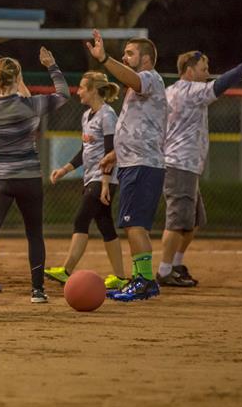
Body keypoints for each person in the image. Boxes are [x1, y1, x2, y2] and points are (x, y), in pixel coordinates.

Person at [158, 40, 242, 286]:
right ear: (189, 69)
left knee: (195, 220)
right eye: (203, 66)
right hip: (180, 164)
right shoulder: (189, 91)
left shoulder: (172, 91)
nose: (207, 70)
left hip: (185, 165)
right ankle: (164, 271)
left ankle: (175, 264)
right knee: (177, 221)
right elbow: (222, 84)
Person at [0, 50, 70, 305]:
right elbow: (64, 95)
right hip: (28, 177)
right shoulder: (31, 104)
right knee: (34, 233)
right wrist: (52, 65)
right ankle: (37, 290)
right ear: (18, 78)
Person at [87, 30, 166, 302]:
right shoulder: (142, 85)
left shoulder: (149, 78)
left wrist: (105, 59)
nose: (125, 57)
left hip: (143, 165)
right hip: (135, 163)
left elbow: (130, 78)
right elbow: (136, 128)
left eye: (130, 53)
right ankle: (140, 279)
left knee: (135, 226)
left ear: (146, 59)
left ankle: (145, 281)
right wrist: (115, 154)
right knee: (134, 225)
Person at [44, 71, 128, 290]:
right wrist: (64, 170)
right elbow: (85, 151)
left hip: (103, 179)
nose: (78, 91)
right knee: (105, 225)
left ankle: (66, 269)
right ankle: (120, 276)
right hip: (91, 178)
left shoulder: (107, 115)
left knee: (81, 220)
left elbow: (111, 151)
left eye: (82, 87)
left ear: (93, 90)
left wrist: (105, 184)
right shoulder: (87, 115)